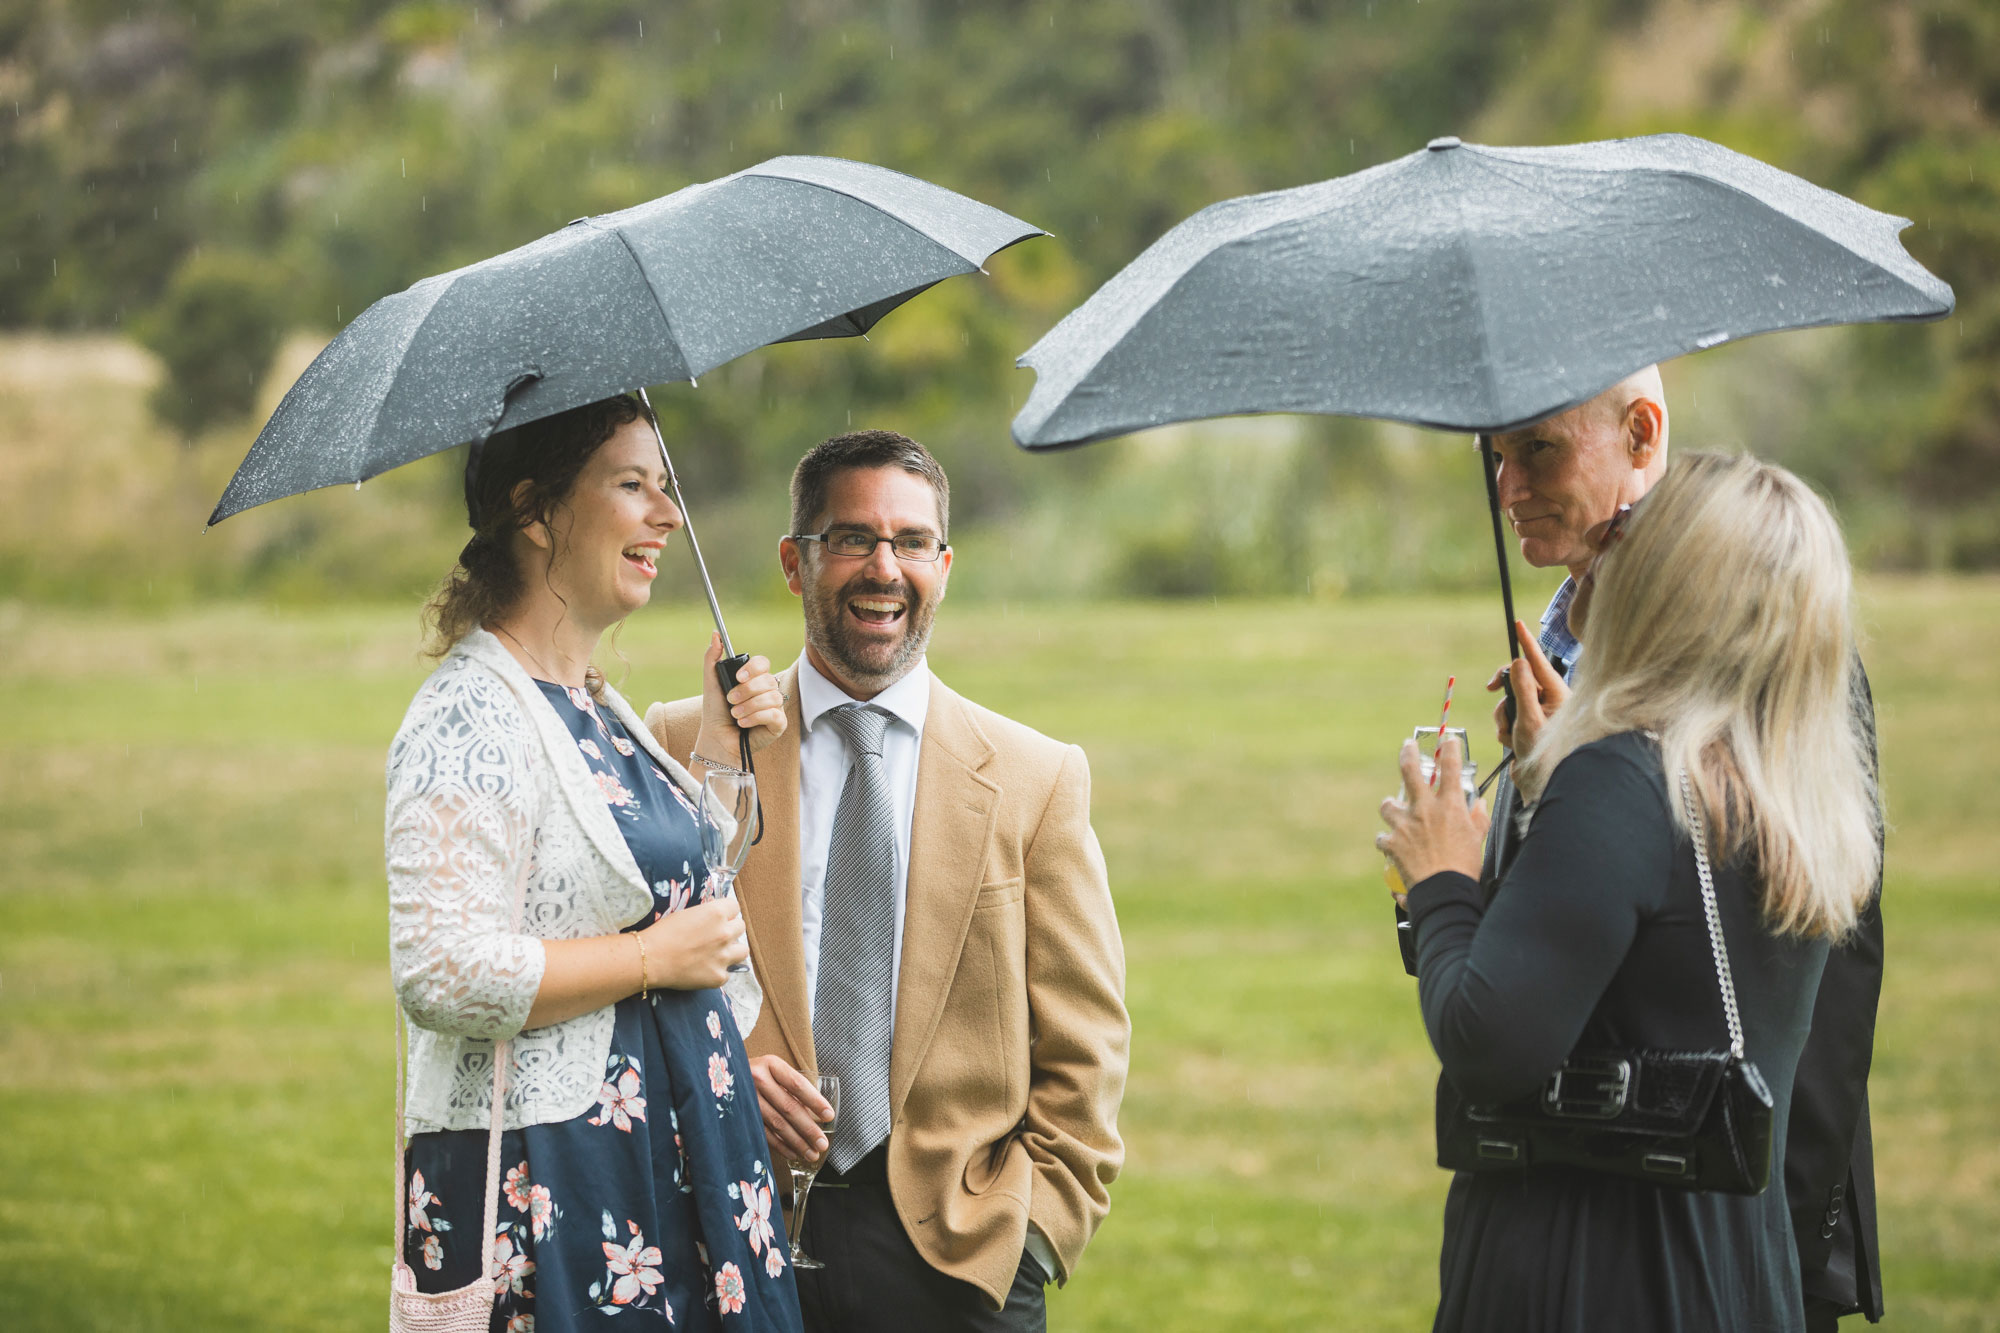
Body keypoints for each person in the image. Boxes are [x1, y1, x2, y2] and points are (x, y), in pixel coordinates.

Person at [1376, 451, 1883, 1332]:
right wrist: (1556, 777)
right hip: (1735, 1256)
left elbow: (1487, 1040)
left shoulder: (1625, 781)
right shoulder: (1787, 784)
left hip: (1597, 1264)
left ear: (1671, 583)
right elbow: (1658, 954)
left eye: (1632, 542)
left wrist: (1442, 877)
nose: (1610, 557)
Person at [648, 430, 1129, 1332]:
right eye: (852, 538)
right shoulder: (685, 742)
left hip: (957, 1258)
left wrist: (1029, 1235)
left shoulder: (1037, 778)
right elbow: (631, 988)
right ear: (796, 561)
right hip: (730, 1236)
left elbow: (1086, 1046)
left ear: (943, 565)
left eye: (911, 542)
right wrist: (725, 1076)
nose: (884, 567)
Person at [386, 394, 804, 1331]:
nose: (669, 515)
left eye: (669, 488)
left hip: (676, 1157)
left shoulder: (588, 699)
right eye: (632, 485)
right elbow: (442, 969)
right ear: (535, 511)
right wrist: (653, 961)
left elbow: (675, 888)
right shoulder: (471, 714)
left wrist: (724, 752)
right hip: (569, 1186)